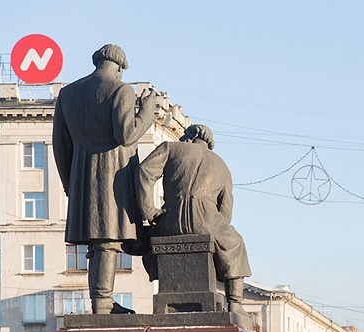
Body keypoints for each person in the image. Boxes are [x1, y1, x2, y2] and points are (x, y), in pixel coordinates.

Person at [52, 44, 159, 314]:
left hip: (81, 176)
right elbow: (127, 135)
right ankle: (102, 304)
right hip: (112, 176)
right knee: (107, 241)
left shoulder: (68, 93)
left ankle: (103, 301)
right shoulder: (121, 90)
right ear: (120, 67)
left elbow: (60, 146)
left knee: (99, 244)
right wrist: (146, 111)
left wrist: (70, 185)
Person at [136, 124, 252, 314]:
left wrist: (148, 211)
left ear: (192, 135)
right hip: (208, 222)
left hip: (169, 221)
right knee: (236, 243)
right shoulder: (222, 165)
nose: (182, 138)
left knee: (141, 237)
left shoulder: (170, 148)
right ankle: (235, 302)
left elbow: (144, 172)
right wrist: (214, 228)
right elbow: (226, 210)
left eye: (184, 135)